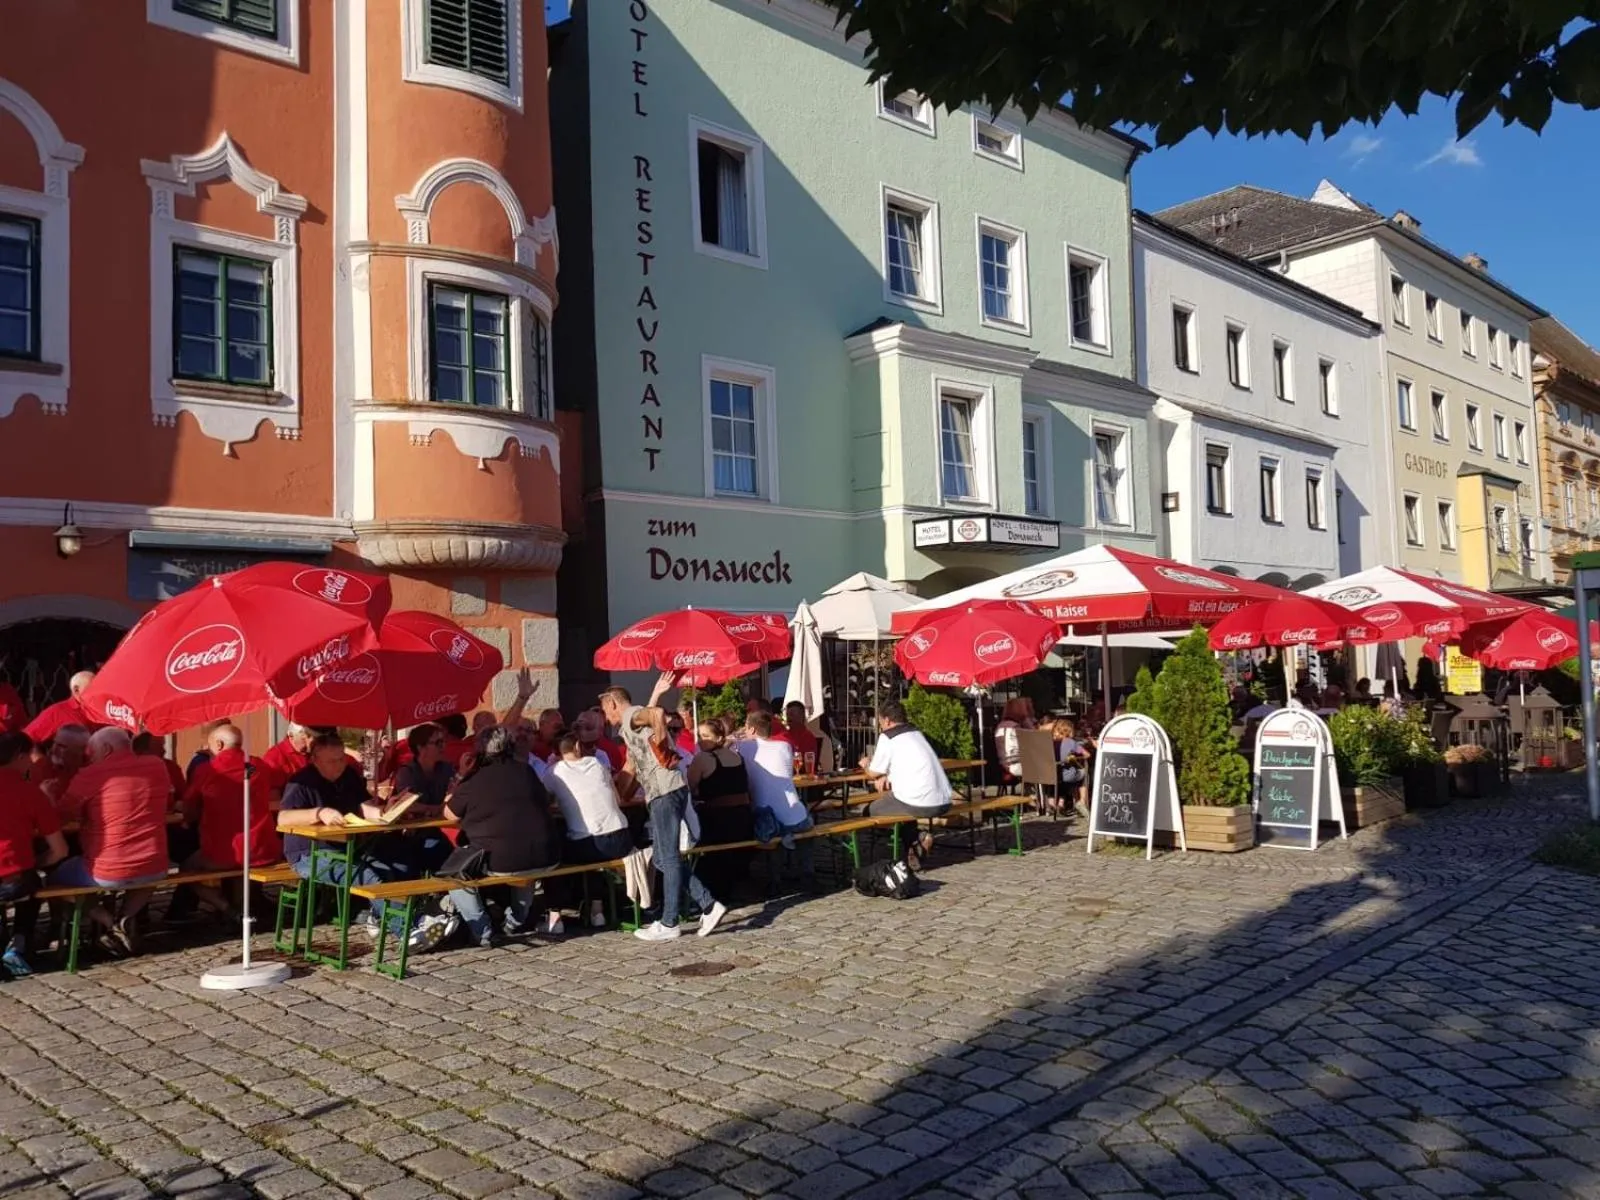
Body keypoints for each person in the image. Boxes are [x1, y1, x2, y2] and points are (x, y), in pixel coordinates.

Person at [278, 731, 453, 952]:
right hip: (309, 854)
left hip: (350, 845)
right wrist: (319, 813)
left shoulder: (348, 775)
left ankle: (384, 917)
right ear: (315, 759)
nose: (340, 764)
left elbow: (361, 806)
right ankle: (407, 931)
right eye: (332, 760)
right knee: (367, 876)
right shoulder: (301, 782)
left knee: (399, 863)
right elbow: (282, 817)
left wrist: (385, 812)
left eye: (342, 758)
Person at [601, 677, 727, 942]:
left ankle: (670, 922)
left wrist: (661, 744)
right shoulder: (630, 727)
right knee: (661, 857)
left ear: (613, 703)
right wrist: (613, 791)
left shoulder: (630, 716)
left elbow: (656, 714)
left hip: (664, 792)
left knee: (667, 858)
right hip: (668, 791)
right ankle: (708, 904)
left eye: (604, 709)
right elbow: (631, 767)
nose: (605, 716)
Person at [52, 727, 176, 955]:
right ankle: (124, 919)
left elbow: (61, 815)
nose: (89, 756)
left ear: (106, 749)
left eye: (91, 751)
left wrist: (48, 794)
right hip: (156, 865)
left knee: (55, 879)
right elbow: (168, 802)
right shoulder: (157, 765)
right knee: (147, 874)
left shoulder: (92, 774)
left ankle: (107, 921)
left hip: (106, 870)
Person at [444, 726, 560, 945]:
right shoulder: (526, 770)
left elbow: (449, 813)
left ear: (481, 750)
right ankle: (515, 921)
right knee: (522, 859)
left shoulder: (475, 778)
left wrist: (461, 774)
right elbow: (547, 800)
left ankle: (483, 930)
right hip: (546, 854)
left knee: (453, 875)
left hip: (503, 859)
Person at [178, 724, 282, 918]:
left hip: (223, 853)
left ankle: (226, 907)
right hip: (260, 848)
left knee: (186, 870)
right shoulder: (256, 766)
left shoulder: (208, 770)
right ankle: (241, 907)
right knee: (240, 867)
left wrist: (189, 818)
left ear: (218, 744)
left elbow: (189, 806)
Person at [543, 732, 632, 929]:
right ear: (577, 746)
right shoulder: (596, 764)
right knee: (594, 860)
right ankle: (597, 910)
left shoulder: (553, 772)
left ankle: (555, 917)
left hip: (588, 845)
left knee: (553, 859)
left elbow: (543, 802)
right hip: (620, 838)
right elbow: (616, 799)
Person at [0, 735, 67, 977]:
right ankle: (18, 944)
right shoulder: (30, 793)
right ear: (19, 757)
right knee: (32, 884)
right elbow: (60, 850)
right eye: (29, 757)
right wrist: (37, 863)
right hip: (15, 877)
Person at [859, 700, 952, 869]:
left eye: (880, 722)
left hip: (919, 802)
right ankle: (916, 845)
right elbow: (908, 765)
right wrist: (889, 776)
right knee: (901, 809)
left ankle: (915, 839)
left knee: (869, 811)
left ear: (887, 720)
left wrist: (865, 764)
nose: (880, 726)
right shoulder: (916, 733)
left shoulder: (888, 736)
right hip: (944, 800)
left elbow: (873, 773)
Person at [735, 712, 815, 891]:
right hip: (795, 817)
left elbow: (727, 741)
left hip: (766, 821)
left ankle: (775, 880)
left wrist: (738, 734)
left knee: (771, 832)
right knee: (806, 822)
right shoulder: (784, 746)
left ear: (752, 728)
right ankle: (808, 874)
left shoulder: (743, 747)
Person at [23, 670, 103, 743]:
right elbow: (25, 739)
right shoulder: (57, 712)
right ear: (76, 690)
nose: (97, 693)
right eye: (92, 689)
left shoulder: (102, 711)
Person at [392, 724, 454, 816]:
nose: (443, 746)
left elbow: (456, 798)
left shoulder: (446, 768)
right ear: (420, 747)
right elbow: (406, 805)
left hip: (443, 826)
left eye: (444, 742)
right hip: (414, 828)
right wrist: (437, 809)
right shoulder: (406, 772)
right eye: (438, 743)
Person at [34, 723, 89, 802]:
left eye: (62, 746)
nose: (54, 749)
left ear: (81, 750)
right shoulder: (42, 766)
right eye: (54, 743)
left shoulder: (91, 775)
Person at [994, 697, 1036, 785]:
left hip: (1003, 765)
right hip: (1015, 765)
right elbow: (1035, 739)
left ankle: (1031, 792)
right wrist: (1027, 720)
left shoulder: (1002, 725)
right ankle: (1047, 796)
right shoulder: (1014, 727)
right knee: (1050, 769)